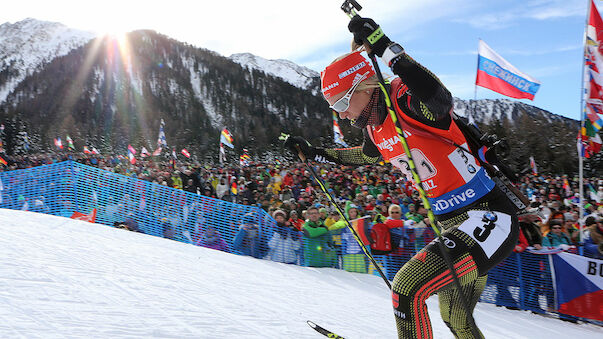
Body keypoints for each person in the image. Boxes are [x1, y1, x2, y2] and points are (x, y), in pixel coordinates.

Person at [284, 15, 521, 338]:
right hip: (455, 223)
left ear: (365, 88)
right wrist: (314, 152)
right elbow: (362, 156)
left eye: (341, 101)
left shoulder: (405, 101)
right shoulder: (374, 127)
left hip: (489, 216)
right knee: (456, 317)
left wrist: (385, 47)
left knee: (407, 289)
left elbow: (439, 100)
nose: (340, 113)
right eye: (332, 106)